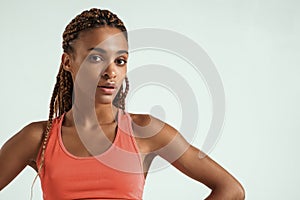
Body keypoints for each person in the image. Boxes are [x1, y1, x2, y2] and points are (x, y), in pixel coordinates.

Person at [0, 8, 245, 200]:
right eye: (96, 58)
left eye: (120, 60)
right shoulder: (39, 137)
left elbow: (231, 190)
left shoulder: (145, 131)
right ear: (67, 62)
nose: (111, 72)